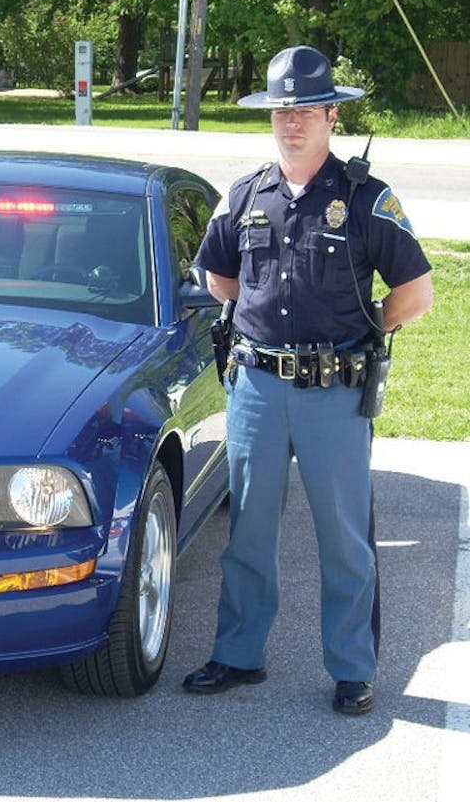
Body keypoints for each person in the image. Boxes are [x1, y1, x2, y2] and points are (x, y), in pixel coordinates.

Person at [185, 45, 434, 715]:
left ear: (331, 116)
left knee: (344, 534)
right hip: (258, 386)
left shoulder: (364, 197)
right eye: (280, 110)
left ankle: (353, 668)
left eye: (304, 109)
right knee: (249, 534)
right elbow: (220, 278)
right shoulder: (244, 196)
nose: (291, 121)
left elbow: (416, 290)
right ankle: (238, 654)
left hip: (334, 391)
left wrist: (369, 323)